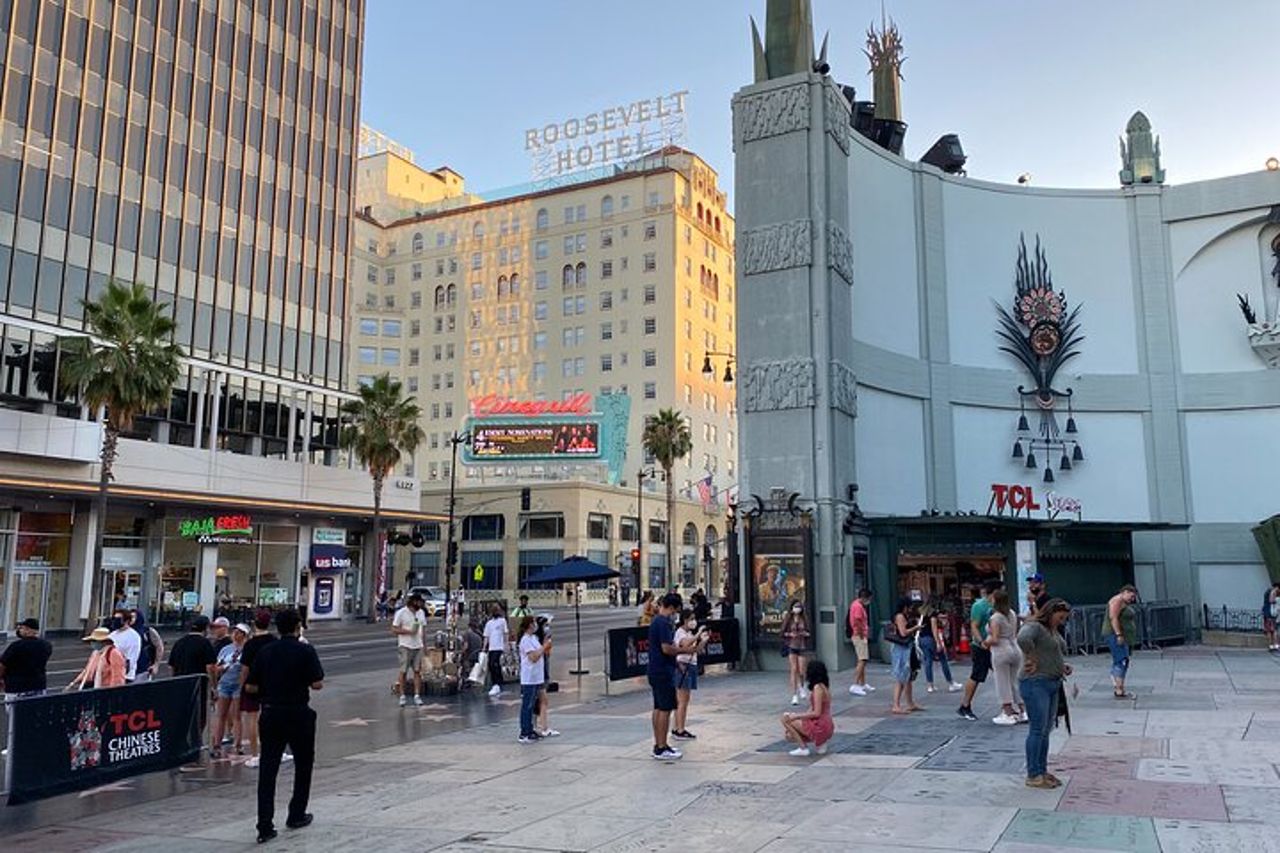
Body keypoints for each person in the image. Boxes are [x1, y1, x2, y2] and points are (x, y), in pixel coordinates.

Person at [245, 609, 322, 843]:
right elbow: (317, 683)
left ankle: (264, 825)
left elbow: (250, 686)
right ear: (298, 627)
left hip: (271, 712)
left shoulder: (266, 651)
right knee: (303, 765)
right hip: (298, 712)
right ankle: (296, 813)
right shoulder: (305, 650)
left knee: (268, 770)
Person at [1017, 597, 1073, 789]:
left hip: (1052, 681)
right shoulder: (1036, 627)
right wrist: (1031, 657)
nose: (1062, 621)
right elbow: (1022, 638)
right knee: (1038, 729)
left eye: (1065, 618)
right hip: (1036, 682)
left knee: (1045, 729)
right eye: (1060, 617)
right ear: (1050, 613)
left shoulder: (1051, 630)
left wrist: (1061, 665)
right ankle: (1033, 774)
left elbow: (1051, 652)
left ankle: (1041, 770)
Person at [647, 593, 696, 761]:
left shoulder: (656, 621)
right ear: (672, 608)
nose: (675, 614)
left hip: (656, 669)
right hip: (663, 671)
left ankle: (659, 744)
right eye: (676, 611)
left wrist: (677, 664)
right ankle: (661, 747)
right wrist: (685, 651)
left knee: (658, 707)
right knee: (665, 709)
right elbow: (666, 648)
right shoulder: (663, 623)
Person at [957, 579, 1002, 721]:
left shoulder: (1000, 604)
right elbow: (974, 626)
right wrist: (981, 641)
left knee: (1003, 675)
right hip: (981, 647)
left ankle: (1008, 706)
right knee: (977, 675)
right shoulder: (979, 606)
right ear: (994, 591)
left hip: (995, 646)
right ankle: (965, 705)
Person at [240, 610, 277, 768]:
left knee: (252, 719)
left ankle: (255, 754)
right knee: (271, 718)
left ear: (254, 624)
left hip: (252, 685)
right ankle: (273, 751)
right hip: (271, 684)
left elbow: (245, 668)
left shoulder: (250, 644)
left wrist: (242, 685)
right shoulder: (274, 641)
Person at [781, 659, 835, 757]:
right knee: (789, 735)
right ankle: (821, 744)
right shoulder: (824, 687)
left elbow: (816, 713)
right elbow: (812, 708)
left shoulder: (818, 688)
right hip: (826, 724)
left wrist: (796, 716)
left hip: (820, 725)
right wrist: (799, 717)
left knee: (785, 719)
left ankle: (803, 748)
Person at [988, 590, 1026, 725]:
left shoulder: (995, 617)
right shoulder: (1012, 613)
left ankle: (1008, 712)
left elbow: (995, 638)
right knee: (1015, 681)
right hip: (1015, 647)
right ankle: (1023, 711)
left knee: (1002, 681)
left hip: (1001, 650)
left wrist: (985, 643)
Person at [211, 624, 248, 758]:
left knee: (237, 716)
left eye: (238, 632)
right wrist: (220, 670)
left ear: (244, 635)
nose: (235, 634)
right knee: (221, 715)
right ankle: (217, 745)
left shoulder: (246, 650)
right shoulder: (226, 649)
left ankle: (238, 745)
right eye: (234, 632)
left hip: (238, 684)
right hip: (225, 683)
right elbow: (217, 666)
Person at [671, 608, 708, 740]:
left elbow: (695, 650)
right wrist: (698, 634)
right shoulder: (680, 633)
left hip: (691, 665)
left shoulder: (689, 633)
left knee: (683, 700)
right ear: (685, 620)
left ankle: (677, 727)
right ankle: (679, 729)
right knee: (682, 700)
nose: (694, 621)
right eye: (691, 619)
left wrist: (703, 641)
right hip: (682, 666)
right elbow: (685, 644)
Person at [517, 615, 552, 744]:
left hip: (537, 677)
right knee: (527, 705)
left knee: (532, 705)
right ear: (530, 625)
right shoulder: (525, 640)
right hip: (529, 678)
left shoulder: (534, 638)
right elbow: (533, 657)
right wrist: (544, 647)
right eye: (533, 623)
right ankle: (524, 732)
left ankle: (530, 729)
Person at [1101, 584, 1139, 699]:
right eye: (1131, 596)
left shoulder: (1123, 602)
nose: (1132, 599)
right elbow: (1113, 618)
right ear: (1125, 592)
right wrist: (1119, 634)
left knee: (1123, 660)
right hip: (1114, 634)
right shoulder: (1117, 600)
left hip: (1122, 635)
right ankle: (1119, 689)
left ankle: (1118, 685)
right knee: (1121, 660)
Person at [888, 597, 924, 715]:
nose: (910, 609)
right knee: (901, 677)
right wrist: (915, 628)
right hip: (901, 649)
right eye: (909, 607)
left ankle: (910, 703)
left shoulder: (903, 616)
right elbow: (903, 632)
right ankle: (896, 705)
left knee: (908, 677)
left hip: (906, 647)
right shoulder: (900, 616)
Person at [0, 617, 52, 697]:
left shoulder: (16, 646)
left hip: (16, 687)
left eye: (21, 628)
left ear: (28, 630)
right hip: (39, 686)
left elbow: (2, 665)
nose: (19, 630)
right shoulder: (46, 645)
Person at [392, 592, 427, 707]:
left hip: (418, 645)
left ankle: (417, 695)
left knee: (417, 671)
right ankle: (402, 696)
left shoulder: (421, 613)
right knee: (404, 671)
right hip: (405, 645)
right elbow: (394, 629)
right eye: (419, 602)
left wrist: (424, 645)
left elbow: (423, 629)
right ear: (414, 602)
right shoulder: (401, 613)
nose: (420, 604)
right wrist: (408, 632)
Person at [919, 601, 961, 694]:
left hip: (922, 638)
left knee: (928, 661)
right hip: (931, 639)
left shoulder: (922, 614)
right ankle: (951, 683)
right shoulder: (932, 614)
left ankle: (930, 685)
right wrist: (938, 642)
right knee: (943, 660)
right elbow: (934, 629)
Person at [780, 600, 812, 706]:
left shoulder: (804, 619)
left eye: (799, 607)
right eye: (795, 607)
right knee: (794, 669)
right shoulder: (789, 619)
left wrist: (805, 633)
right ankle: (794, 695)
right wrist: (790, 634)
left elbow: (809, 632)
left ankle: (801, 685)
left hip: (802, 645)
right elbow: (782, 632)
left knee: (802, 669)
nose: (797, 609)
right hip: (792, 645)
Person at [534, 614, 559, 738]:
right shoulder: (539, 640)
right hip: (539, 674)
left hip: (539, 674)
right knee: (542, 700)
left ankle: (537, 725)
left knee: (538, 700)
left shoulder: (535, 639)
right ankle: (543, 727)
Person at [847, 588, 875, 696]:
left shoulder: (855, 605)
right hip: (859, 635)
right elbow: (857, 621)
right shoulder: (858, 606)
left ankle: (862, 683)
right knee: (862, 659)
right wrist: (862, 634)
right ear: (864, 598)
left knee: (862, 659)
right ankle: (855, 684)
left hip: (858, 635)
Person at [131, 609, 164, 683]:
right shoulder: (125, 631)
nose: (131, 619)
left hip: (143, 669)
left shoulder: (147, 631)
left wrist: (156, 665)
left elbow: (159, 647)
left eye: (133, 617)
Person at [483, 604, 509, 698]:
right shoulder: (489, 623)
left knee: (495, 664)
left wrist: (506, 644)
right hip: (491, 647)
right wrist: (484, 648)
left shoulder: (502, 621)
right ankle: (496, 682)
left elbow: (505, 633)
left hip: (499, 647)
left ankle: (497, 683)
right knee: (491, 664)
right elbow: (486, 636)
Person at [109, 609, 142, 683]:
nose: (115, 621)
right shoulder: (112, 635)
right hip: (111, 674)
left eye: (118, 619)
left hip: (125, 676)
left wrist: (123, 674)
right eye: (114, 618)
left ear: (126, 621)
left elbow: (131, 658)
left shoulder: (133, 636)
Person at [1264, 583, 1280, 652]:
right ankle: (1275, 645)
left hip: (1267, 613)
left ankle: (1271, 646)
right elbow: (1271, 601)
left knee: (1270, 631)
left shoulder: (1268, 591)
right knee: (1274, 630)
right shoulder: (1273, 592)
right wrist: (1276, 601)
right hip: (1271, 613)